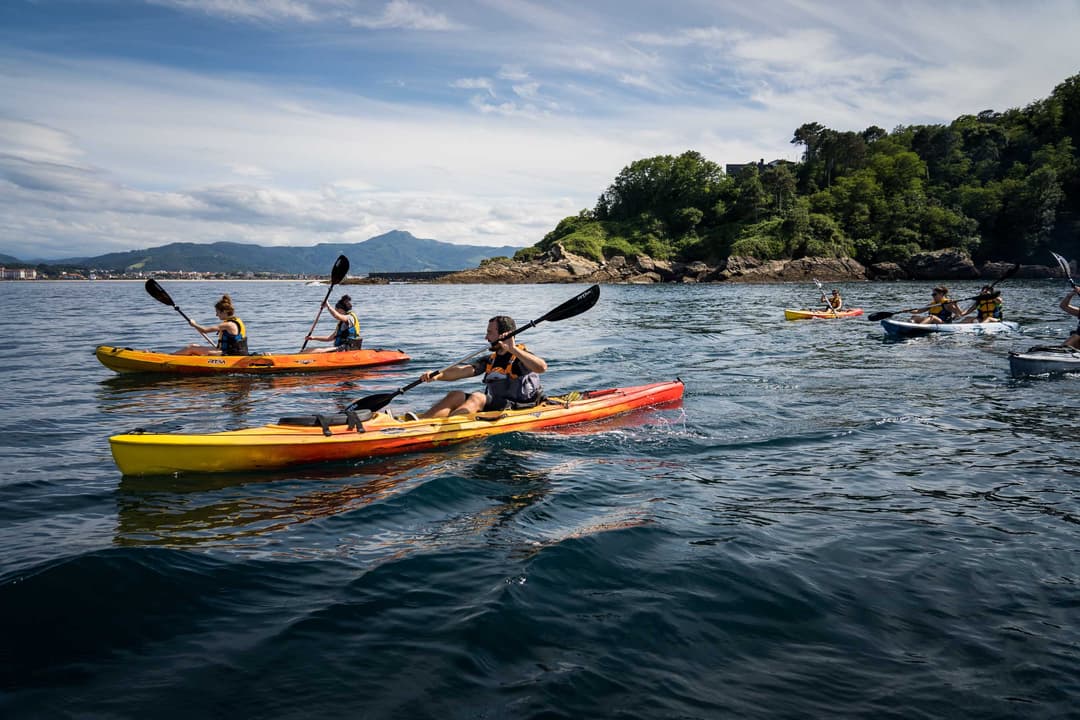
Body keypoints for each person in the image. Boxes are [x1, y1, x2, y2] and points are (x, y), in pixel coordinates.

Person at [414, 315, 548, 419]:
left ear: (504, 334)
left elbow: (541, 368)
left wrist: (513, 349)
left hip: (520, 407)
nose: (486, 337)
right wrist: (438, 375)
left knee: (478, 397)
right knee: (455, 395)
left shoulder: (520, 357)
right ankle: (421, 423)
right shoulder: (490, 360)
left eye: (490, 333)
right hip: (498, 405)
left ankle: (449, 428)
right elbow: (463, 371)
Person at [174, 294, 248, 356]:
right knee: (193, 346)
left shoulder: (228, 324)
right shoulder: (237, 320)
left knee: (191, 349)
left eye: (217, 312)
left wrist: (194, 324)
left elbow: (205, 330)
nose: (216, 315)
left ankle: (168, 359)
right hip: (234, 352)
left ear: (224, 312)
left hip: (229, 354)